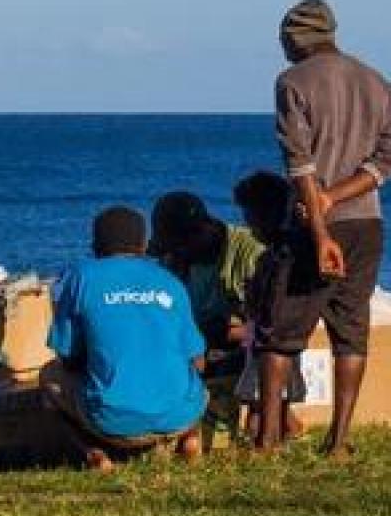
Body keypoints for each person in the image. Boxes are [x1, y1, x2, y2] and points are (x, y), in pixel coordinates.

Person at [254, 0, 391, 457]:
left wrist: (320, 224)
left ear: (296, 38)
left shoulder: (293, 82)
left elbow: (299, 162)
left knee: (282, 332)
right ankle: (338, 441)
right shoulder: (379, 83)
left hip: (311, 226)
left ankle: (267, 439)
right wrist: (339, 194)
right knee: (351, 330)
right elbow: (390, 158)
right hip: (366, 222)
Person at [42, 205, 208, 471]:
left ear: (96, 247)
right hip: (179, 416)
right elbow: (198, 362)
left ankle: (95, 453)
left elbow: (68, 358)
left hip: (112, 422)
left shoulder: (81, 278)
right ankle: (189, 438)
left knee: (48, 375)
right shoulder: (169, 281)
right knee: (193, 385)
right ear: (144, 246)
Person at [231, 170, 307, 442]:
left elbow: (270, 304)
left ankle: (263, 438)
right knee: (275, 397)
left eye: (252, 219)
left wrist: (251, 298)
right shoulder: (276, 254)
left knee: (259, 400)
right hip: (269, 339)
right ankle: (282, 430)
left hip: (267, 340)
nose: (250, 228)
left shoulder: (280, 256)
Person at [150, 191, 264, 355]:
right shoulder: (173, 260)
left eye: (180, 247)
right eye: (171, 249)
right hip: (196, 349)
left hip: (244, 353)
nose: (176, 254)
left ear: (204, 230)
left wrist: (220, 335)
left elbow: (275, 329)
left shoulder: (252, 253)